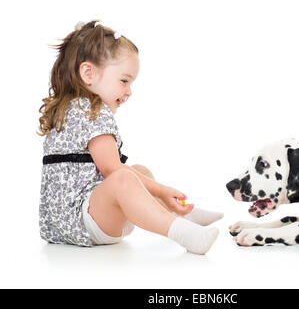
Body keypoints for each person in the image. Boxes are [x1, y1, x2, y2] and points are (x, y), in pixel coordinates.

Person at [37, 20, 222, 255]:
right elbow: (112, 169)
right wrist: (162, 190)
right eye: (124, 80)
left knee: (139, 171)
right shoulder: (93, 111)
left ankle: (180, 212)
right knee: (124, 178)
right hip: (83, 222)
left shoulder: (69, 109)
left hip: (60, 224)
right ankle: (183, 231)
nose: (129, 91)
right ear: (88, 73)